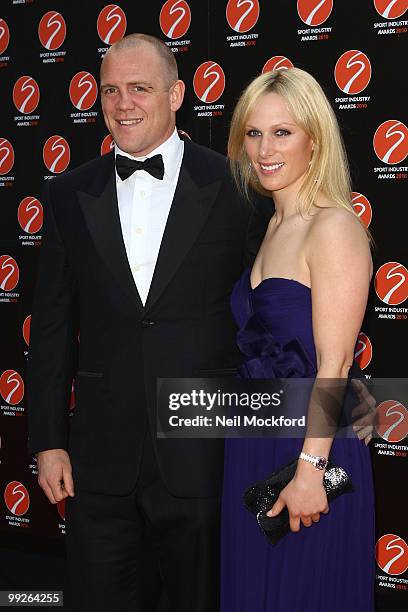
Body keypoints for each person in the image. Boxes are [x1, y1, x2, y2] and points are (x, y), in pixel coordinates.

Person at [26, 33, 270, 612]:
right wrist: (48, 443)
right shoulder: (68, 193)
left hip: (203, 456)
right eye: (110, 90)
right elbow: (53, 330)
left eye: (139, 88)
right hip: (99, 467)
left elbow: (264, 327)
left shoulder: (236, 189)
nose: (122, 103)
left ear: (178, 94)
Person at [221, 68, 375, 611]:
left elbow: (334, 362)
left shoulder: (333, 226)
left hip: (310, 448)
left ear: (315, 138)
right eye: (254, 132)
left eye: (283, 132)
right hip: (255, 443)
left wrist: (311, 469)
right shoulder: (270, 225)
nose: (265, 148)